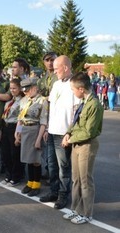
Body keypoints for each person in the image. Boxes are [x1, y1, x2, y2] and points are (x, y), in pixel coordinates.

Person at [62, 72, 103, 224]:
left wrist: (70, 139)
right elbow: (75, 122)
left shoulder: (94, 105)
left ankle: (86, 213)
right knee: (76, 180)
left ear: (81, 89)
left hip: (87, 145)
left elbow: (89, 131)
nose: (73, 92)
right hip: (76, 144)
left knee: (85, 180)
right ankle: (76, 209)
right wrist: (67, 133)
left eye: (73, 89)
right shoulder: (83, 102)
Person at [39, 55, 80, 209]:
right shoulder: (56, 84)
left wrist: (70, 133)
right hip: (52, 131)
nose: (54, 71)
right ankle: (54, 191)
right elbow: (52, 108)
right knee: (52, 165)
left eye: (57, 69)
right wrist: (47, 128)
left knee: (64, 167)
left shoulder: (74, 84)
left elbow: (77, 112)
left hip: (63, 133)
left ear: (66, 68)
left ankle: (63, 195)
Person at [15, 78, 48, 196]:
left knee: (35, 160)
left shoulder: (42, 101)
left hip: (35, 130)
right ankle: (29, 183)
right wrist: (17, 133)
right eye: (24, 91)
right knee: (28, 159)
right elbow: (20, 119)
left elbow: (43, 122)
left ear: (34, 88)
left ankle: (36, 184)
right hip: (25, 130)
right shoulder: (24, 100)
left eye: (28, 90)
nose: (26, 93)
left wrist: (39, 140)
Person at [0, 79, 25, 186]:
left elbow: (21, 119)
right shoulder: (10, 100)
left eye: (14, 88)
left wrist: (18, 133)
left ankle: (16, 176)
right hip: (5, 127)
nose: (12, 90)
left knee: (14, 153)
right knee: (5, 153)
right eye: (10, 88)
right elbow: (4, 116)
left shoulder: (22, 101)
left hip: (14, 127)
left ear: (20, 89)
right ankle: (8, 174)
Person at [37, 51, 58, 180]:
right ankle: (49, 170)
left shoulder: (59, 77)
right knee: (46, 146)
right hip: (45, 113)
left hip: (56, 114)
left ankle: (54, 174)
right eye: (47, 60)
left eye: (52, 60)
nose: (50, 62)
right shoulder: (42, 80)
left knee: (56, 148)